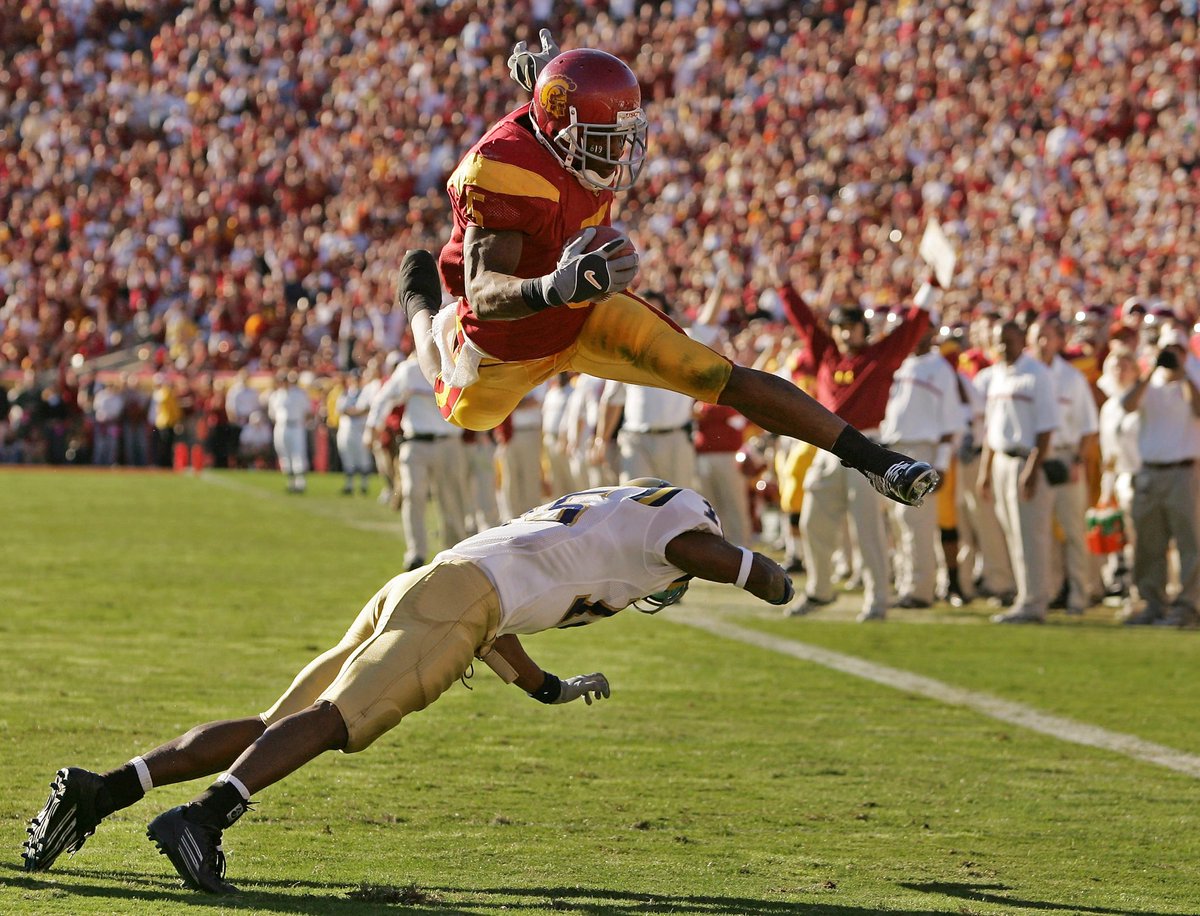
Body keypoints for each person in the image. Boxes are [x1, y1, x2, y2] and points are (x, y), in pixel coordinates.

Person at [22, 479, 794, 893]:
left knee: (276, 723)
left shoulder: (593, 517)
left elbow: (503, 619)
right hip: (459, 600)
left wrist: (548, 690)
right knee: (340, 719)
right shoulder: (673, 528)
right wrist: (770, 577)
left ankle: (102, 793)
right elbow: (709, 553)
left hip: (429, 585)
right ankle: (203, 819)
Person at [396, 43, 937, 510]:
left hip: (583, 310)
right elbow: (486, 292)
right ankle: (420, 309)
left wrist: (545, 82)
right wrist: (558, 286)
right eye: (602, 137)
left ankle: (876, 461)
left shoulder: (559, 129)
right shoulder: (502, 167)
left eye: (621, 135)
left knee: (714, 375)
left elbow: (547, 112)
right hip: (501, 344)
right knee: (465, 408)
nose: (617, 152)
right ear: (561, 126)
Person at [778, 288, 940, 622]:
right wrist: (784, 287)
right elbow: (805, 323)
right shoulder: (826, 355)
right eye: (838, 326)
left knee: (868, 529)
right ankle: (821, 590)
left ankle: (877, 599)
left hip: (865, 449)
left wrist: (932, 286)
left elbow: (911, 326)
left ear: (863, 330)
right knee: (811, 521)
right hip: (825, 449)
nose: (843, 332)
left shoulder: (878, 356)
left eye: (850, 325)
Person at [977, 320, 1061, 624]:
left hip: (1025, 461)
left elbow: (1047, 427)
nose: (1002, 347)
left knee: (1031, 535)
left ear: (1023, 340)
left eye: (1008, 341)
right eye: (998, 341)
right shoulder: (997, 374)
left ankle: (1034, 602)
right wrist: (985, 470)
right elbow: (991, 428)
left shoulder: (1037, 373)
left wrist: (1032, 469)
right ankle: (1024, 597)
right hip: (1000, 459)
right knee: (1012, 534)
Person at [1119, 326, 1200, 627]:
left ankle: (1188, 606)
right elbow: (1126, 405)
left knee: (1189, 543)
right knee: (1148, 543)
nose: (1170, 356)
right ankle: (1152, 602)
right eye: (1167, 350)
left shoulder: (1194, 380)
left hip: (1183, 471)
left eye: (1176, 351)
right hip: (1151, 470)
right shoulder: (1147, 384)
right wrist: (1151, 369)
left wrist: (1184, 374)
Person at [367, 348, 468, 570]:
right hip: (415, 441)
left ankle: (454, 551)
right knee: (412, 495)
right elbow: (384, 396)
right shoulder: (410, 370)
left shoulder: (456, 364)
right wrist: (372, 426)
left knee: (451, 499)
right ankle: (416, 553)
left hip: (448, 442)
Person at [266, 371, 311, 493]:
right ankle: (291, 483)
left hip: (296, 425)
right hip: (281, 426)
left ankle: (300, 483)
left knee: (298, 453)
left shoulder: (299, 394)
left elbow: (307, 411)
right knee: (284, 453)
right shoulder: (276, 395)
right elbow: (272, 414)